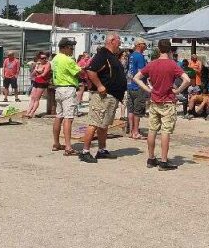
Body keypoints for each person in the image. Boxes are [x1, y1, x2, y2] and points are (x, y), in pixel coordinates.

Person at [133, 38, 191, 170]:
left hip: (154, 100)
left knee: (152, 130)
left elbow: (136, 77)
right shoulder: (172, 65)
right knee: (165, 131)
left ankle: (151, 158)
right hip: (168, 101)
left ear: (158, 49)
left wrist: (148, 89)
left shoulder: (152, 64)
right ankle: (164, 161)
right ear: (170, 50)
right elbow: (187, 80)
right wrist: (177, 91)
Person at [80, 32, 127, 163]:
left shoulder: (111, 56)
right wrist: (99, 85)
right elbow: (90, 70)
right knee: (94, 122)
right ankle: (85, 151)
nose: (120, 43)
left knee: (103, 124)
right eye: (119, 41)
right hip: (102, 96)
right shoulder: (103, 54)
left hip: (111, 97)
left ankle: (102, 150)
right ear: (112, 41)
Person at [50, 38, 81, 156]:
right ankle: (68, 147)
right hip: (68, 88)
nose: (72, 50)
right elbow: (78, 72)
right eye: (70, 47)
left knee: (59, 116)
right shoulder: (68, 60)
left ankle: (56, 143)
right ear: (64, 47)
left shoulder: (55, 58)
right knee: (68, 117)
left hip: (58, 88)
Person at [126, 38, 149, 140]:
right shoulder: (140, 57)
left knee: (130, 109)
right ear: (139, 45)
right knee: (138, 110)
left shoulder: (131, 56)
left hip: (130, 85)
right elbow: (141, 72)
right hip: (138, 86)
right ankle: (136, 132)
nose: (146, 46)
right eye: (144, 44)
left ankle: (131, 131)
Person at [25, 53, 51, 118]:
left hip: (42, 82)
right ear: (39, 59)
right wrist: (35, 72)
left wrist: (37, 73)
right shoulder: (38, 64)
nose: (44, 59)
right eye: (42, 58)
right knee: (32, 97)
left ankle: (32, 112)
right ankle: (28, 112)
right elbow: (33, 73)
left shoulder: (47, 64)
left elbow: (44, 74)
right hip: (36, 81)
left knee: (37, 98)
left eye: (45, 58)